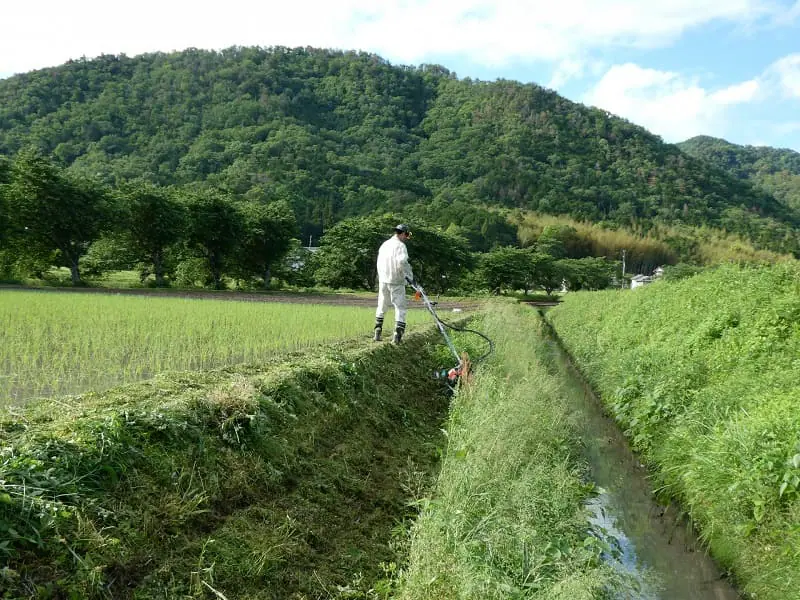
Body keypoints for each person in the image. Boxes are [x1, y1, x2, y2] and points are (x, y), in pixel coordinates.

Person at [374, 224, 415, 344]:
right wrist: (409, 276)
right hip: (396, 281)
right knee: (400, 307)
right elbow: (402, 261)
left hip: (383, 279)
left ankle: (377, 331)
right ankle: (397, 335)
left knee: (382, 305)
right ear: (402, 233)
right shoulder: (400, 246)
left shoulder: (385, 245)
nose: (406, 237)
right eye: (406, 234)